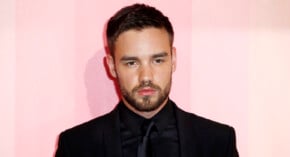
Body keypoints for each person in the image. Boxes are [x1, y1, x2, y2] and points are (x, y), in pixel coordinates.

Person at [55, 3, 239, 157]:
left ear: (173, 60)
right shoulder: (76, 146)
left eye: (157, 60)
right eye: (132, 63)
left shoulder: (218, 142)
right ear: (111, 66)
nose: (146, 77)